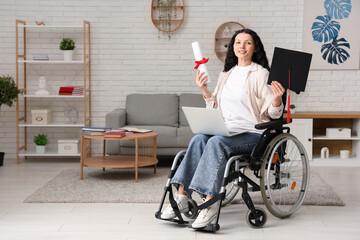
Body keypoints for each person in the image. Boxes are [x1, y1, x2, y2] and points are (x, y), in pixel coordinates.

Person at [161, 29, 285, 229]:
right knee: (199, 139)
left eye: (247, 43)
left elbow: (273, 114)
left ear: (255, 48)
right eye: (237, 42)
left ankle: (210, 203)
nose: (242, 47)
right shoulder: (226, 75)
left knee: (216, 142)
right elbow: (215, 107)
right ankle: (182, 198)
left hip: (252, 133)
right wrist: (204, 90)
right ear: (232, 47)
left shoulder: (261, 74)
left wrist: (277, 99)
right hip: (227, 130)